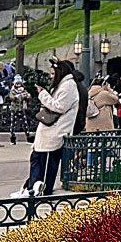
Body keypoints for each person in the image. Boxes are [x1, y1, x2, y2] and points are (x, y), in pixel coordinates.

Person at [25, 60, 81, 196]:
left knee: (46, 162)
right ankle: (33, 187)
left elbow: (59, 106)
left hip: (55, 131)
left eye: (52, 73)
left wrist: (43, 94)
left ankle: (41, 189)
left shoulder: (68, 86)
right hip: (50, 130)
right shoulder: (63, 85)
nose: (51, 76)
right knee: (37, 158)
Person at [7, 75, 31, 143]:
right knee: (13, 124)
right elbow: (11, 97)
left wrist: (27, 96)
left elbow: (28, 97)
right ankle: (12, 138)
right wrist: (18, 96)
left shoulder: (24, 90)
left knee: (25, 123)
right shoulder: (12, 90)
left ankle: (28, 137)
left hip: (21, 108)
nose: (18, 85)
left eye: (20, 84)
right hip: (14, 109)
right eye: (17, 84)